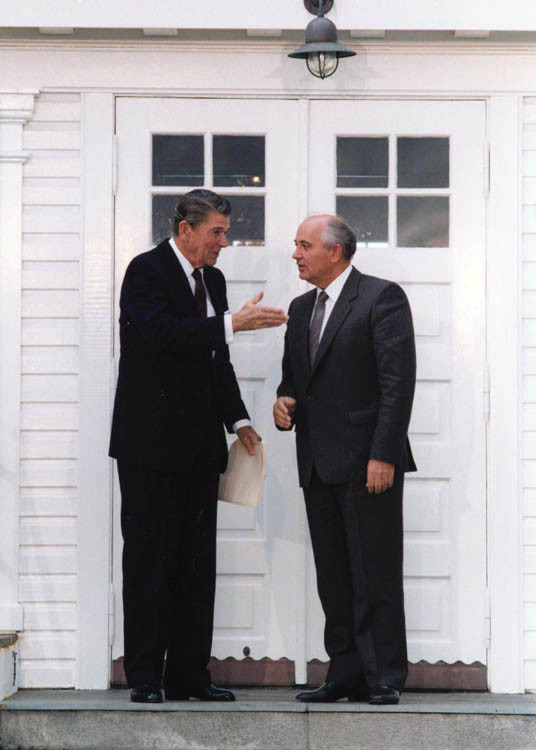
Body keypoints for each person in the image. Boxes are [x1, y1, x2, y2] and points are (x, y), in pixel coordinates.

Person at [109, 189, 287, 704]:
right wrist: (234, 324)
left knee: (194, 562)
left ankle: (189, 675)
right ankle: (145, 677)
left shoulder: (215, 280)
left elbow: (216, 357)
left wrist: (238, 419)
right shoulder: (145, 272)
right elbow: (163, 334)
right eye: (216, 233)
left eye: (226, 233)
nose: (223, 243)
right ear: (185, 230)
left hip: (197, 446)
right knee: (148, 561)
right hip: (147, 447)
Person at [273, 214, 416, 705]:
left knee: (374, 571)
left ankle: (384, 676)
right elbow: (295, 378)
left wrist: (385, 455)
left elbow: (398, 386)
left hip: (368, 461)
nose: (295, 254)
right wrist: (283, 400)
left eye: (303, 245)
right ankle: (345, 673)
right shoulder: (299, 307)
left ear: (334, 252)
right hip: (317, 461)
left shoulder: (381, 297)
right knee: (334, 574)